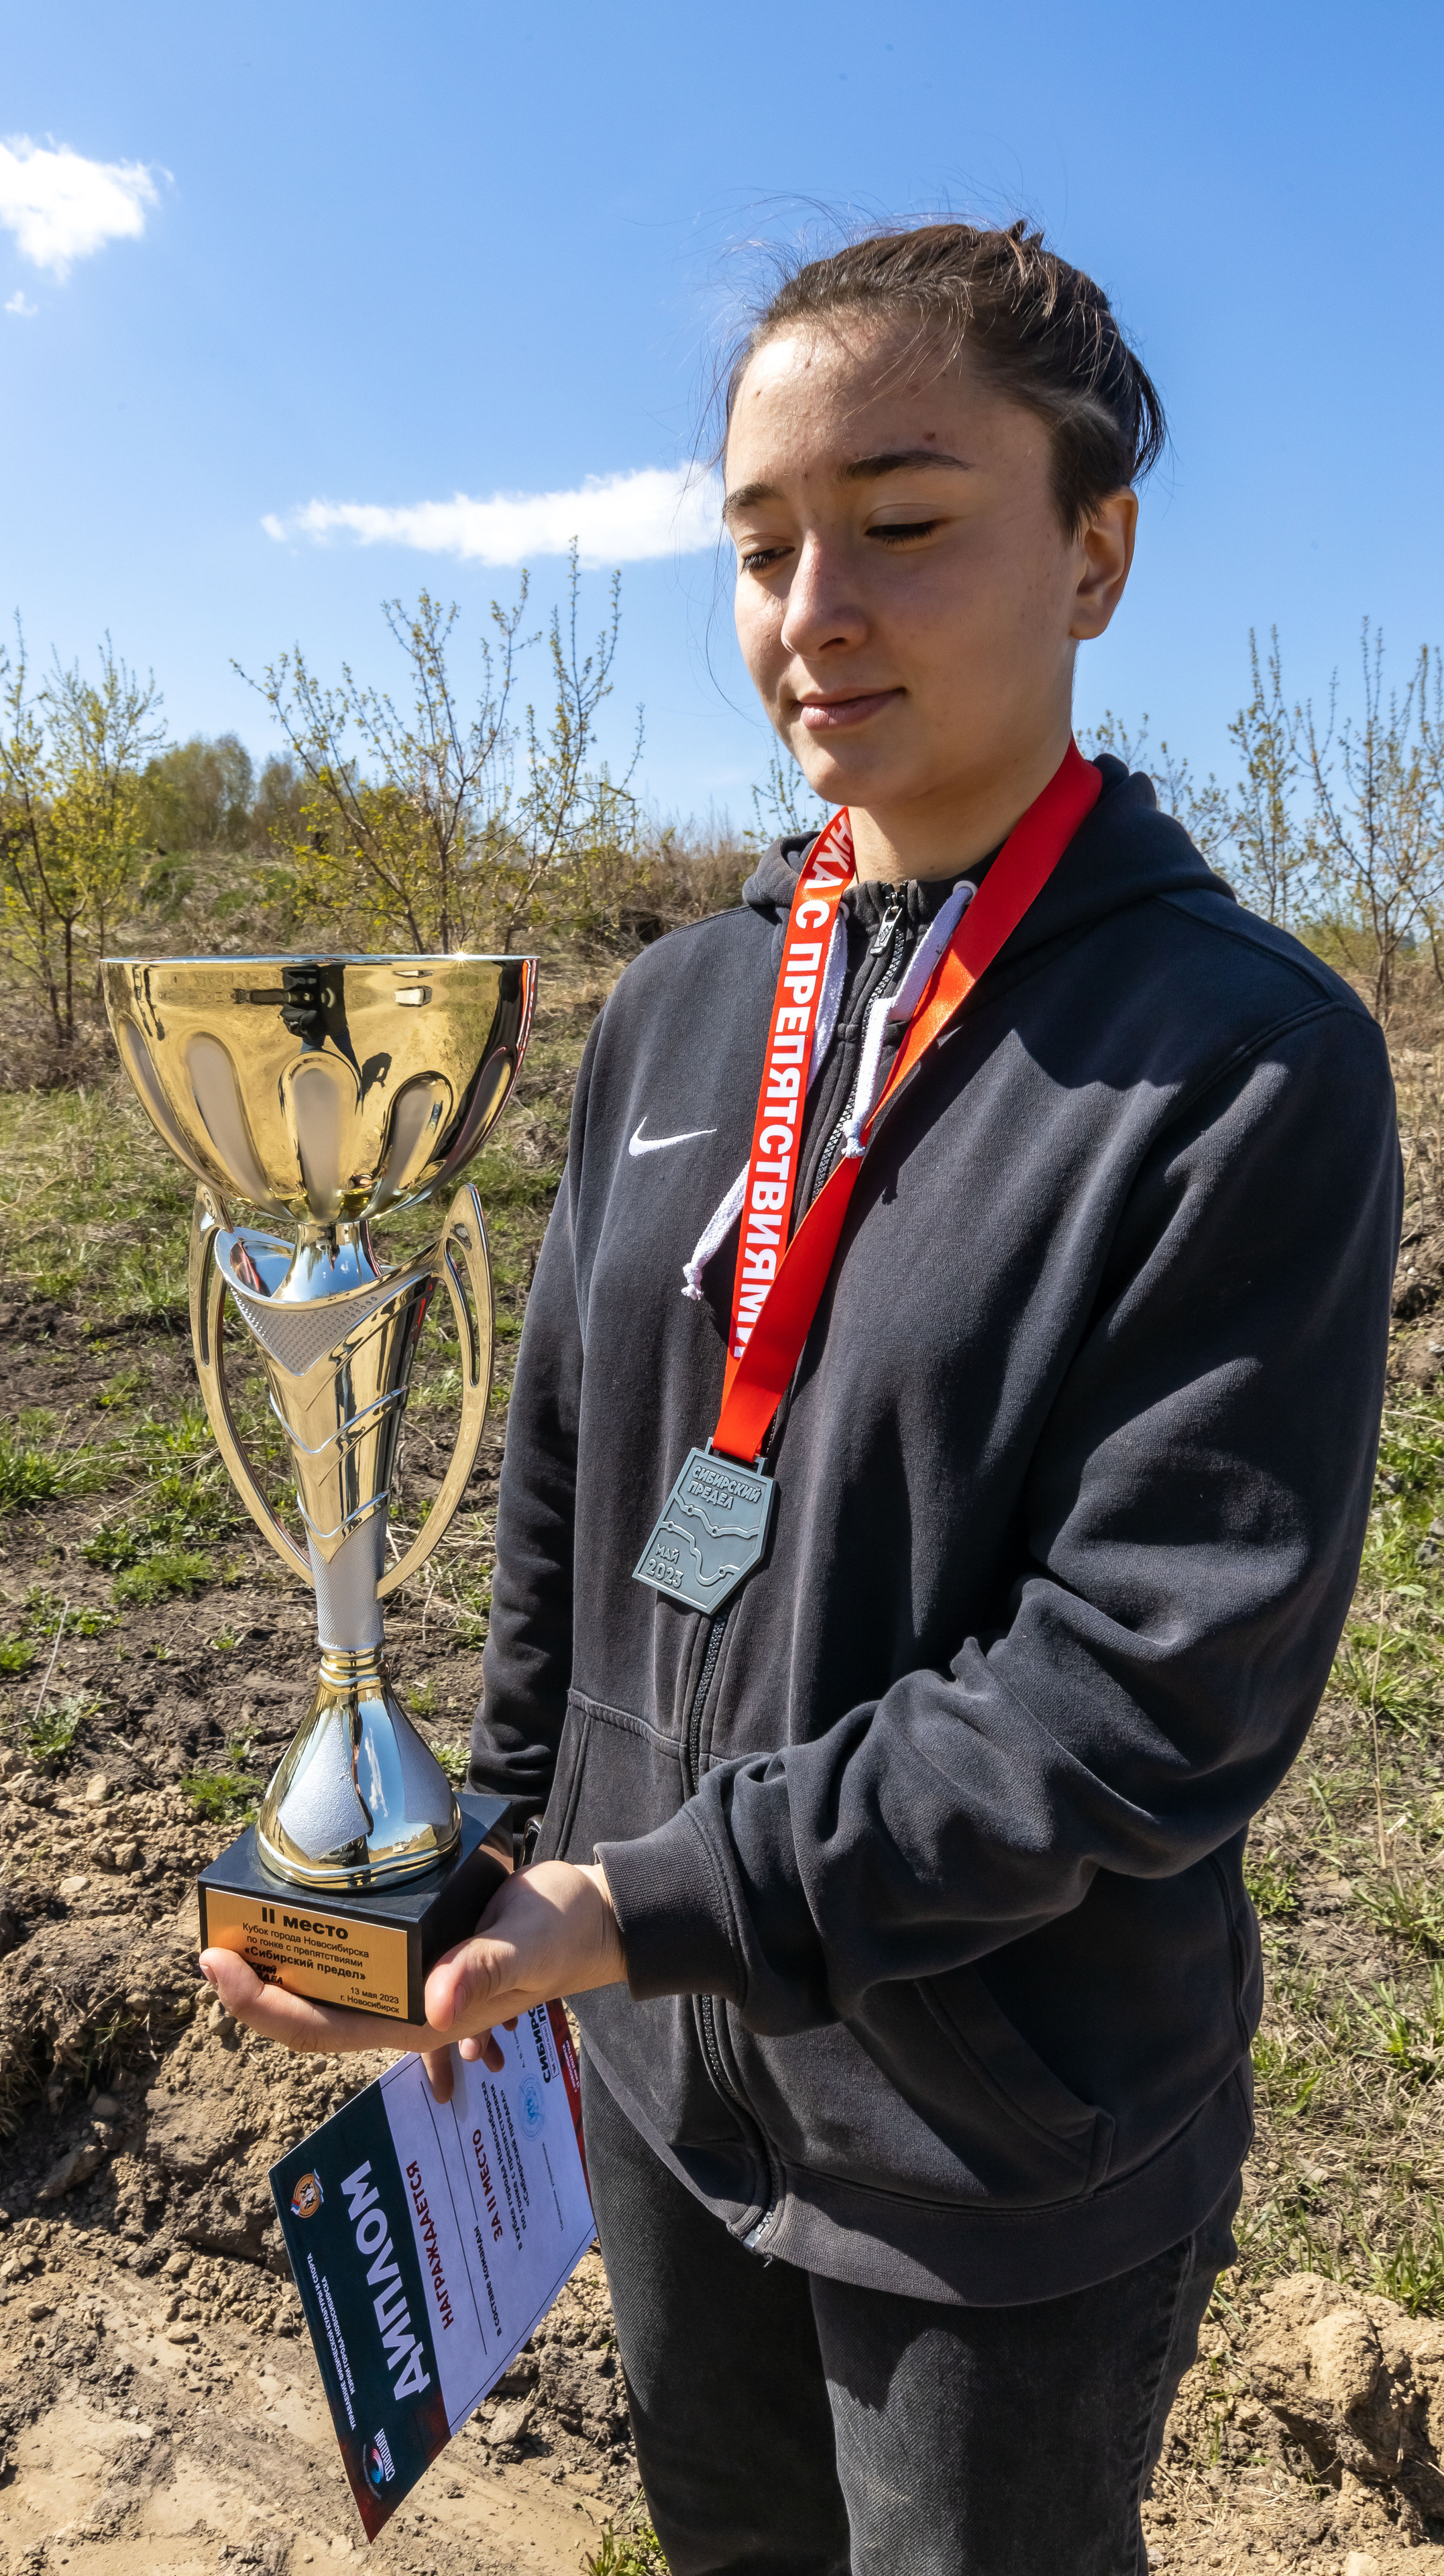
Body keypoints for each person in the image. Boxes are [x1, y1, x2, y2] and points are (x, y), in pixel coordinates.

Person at [205, 221, 1401, 2575]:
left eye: (907, 521)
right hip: (659, 2077)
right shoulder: (676, 1013)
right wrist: (484, 1883)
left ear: (1098, 551)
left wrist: (642, 1902)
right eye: (760, 547)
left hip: (994, 2153)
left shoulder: (1244, 1066)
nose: (813, 607)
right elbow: (567, 1485)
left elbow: (1143, 1693)